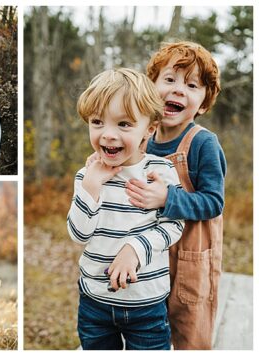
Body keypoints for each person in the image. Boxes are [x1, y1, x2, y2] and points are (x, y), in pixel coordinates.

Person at [67, 68, 184, 350]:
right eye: (97, 122)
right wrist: (92, 185)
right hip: (95, 301)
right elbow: (78, 235)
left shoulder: (160, 170)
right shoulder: (87, 175)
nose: (108, 135)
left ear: (150, 128)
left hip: (147, 303)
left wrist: (136, 248)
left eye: (123, 124)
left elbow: (174, 224)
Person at [122, 41, 225, 350]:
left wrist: (169, 199)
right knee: (147, 332)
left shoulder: (203, 144)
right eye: (169, 80)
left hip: (190, 260)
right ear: (151, 87)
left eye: (192, 85)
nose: (179, 90)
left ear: (204, 103)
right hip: (149, 253)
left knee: (188, 333)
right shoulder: (143, 140)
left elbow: (213, 202)